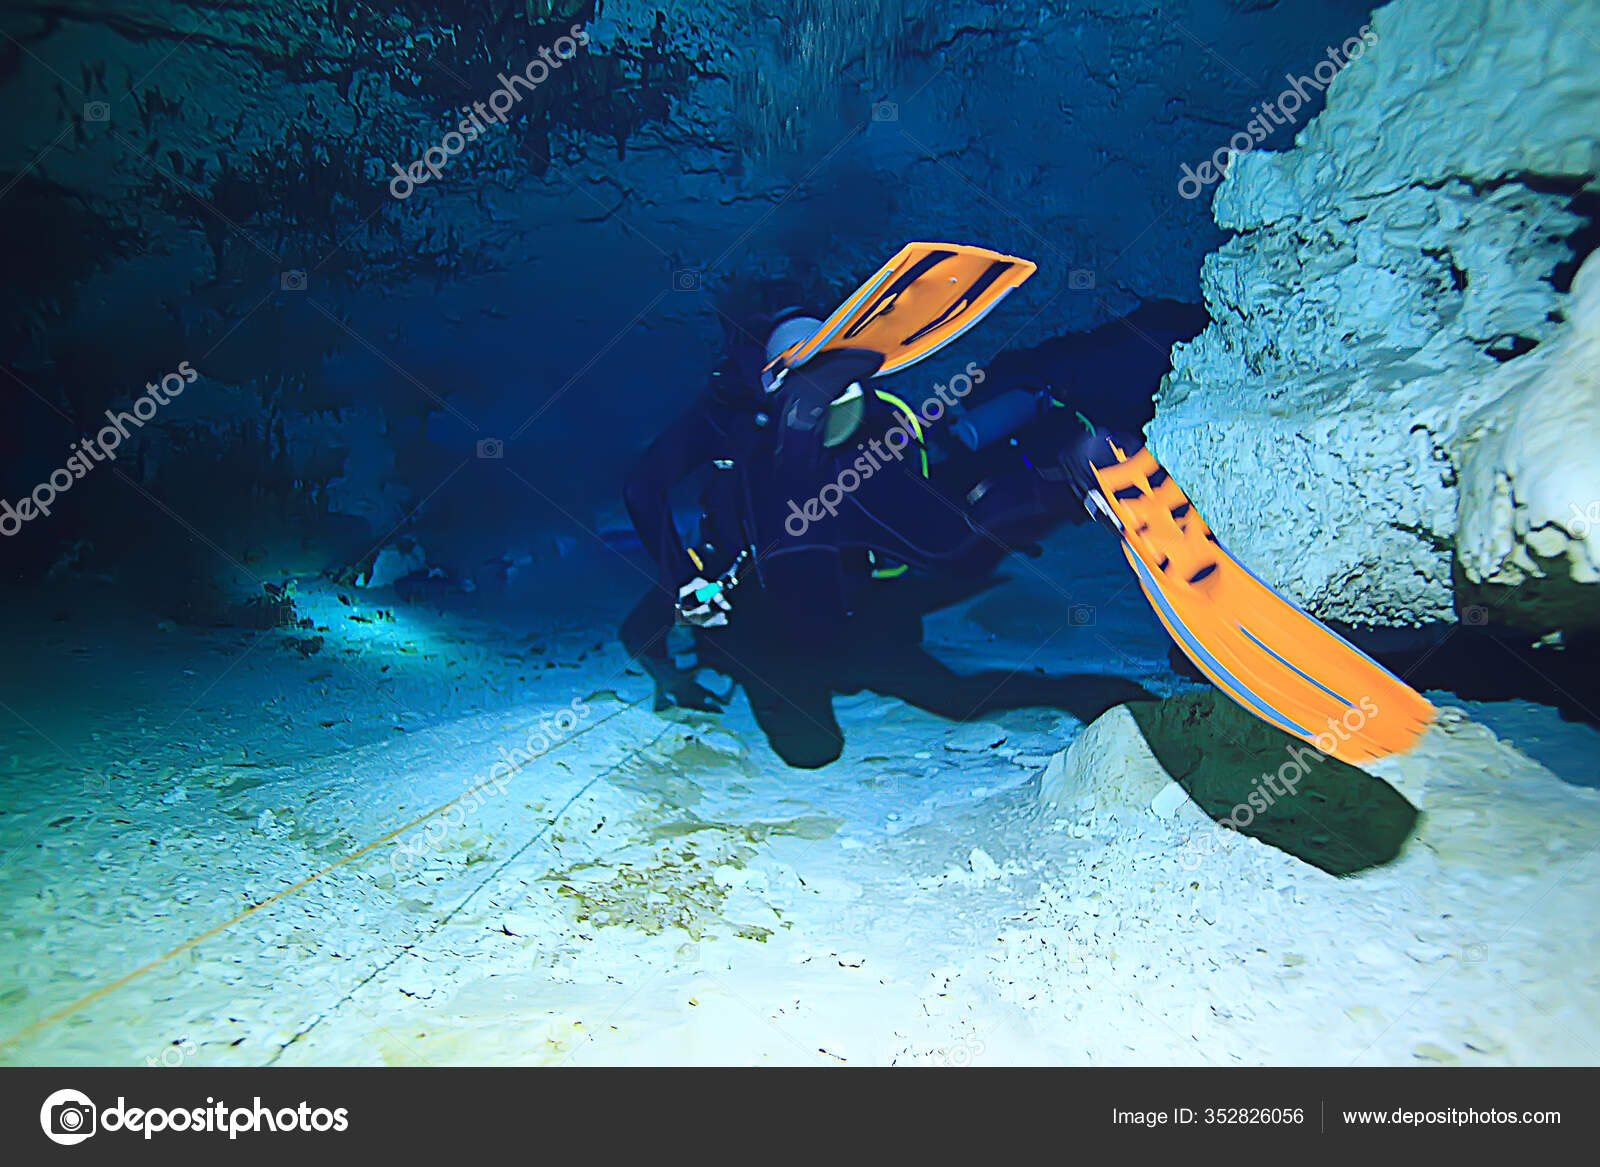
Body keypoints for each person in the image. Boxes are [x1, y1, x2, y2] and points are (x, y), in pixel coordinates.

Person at [622, 242, 1438, 769]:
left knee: (923, 549)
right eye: (810, 379)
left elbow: (925, 538)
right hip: (811, 552)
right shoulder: (719, 424)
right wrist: (677, 597)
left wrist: (678, 614)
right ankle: (1068, 475)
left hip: (836, 516)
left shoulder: (801, 430)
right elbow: (643, 494)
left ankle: (1069, 473)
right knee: (934, 547)